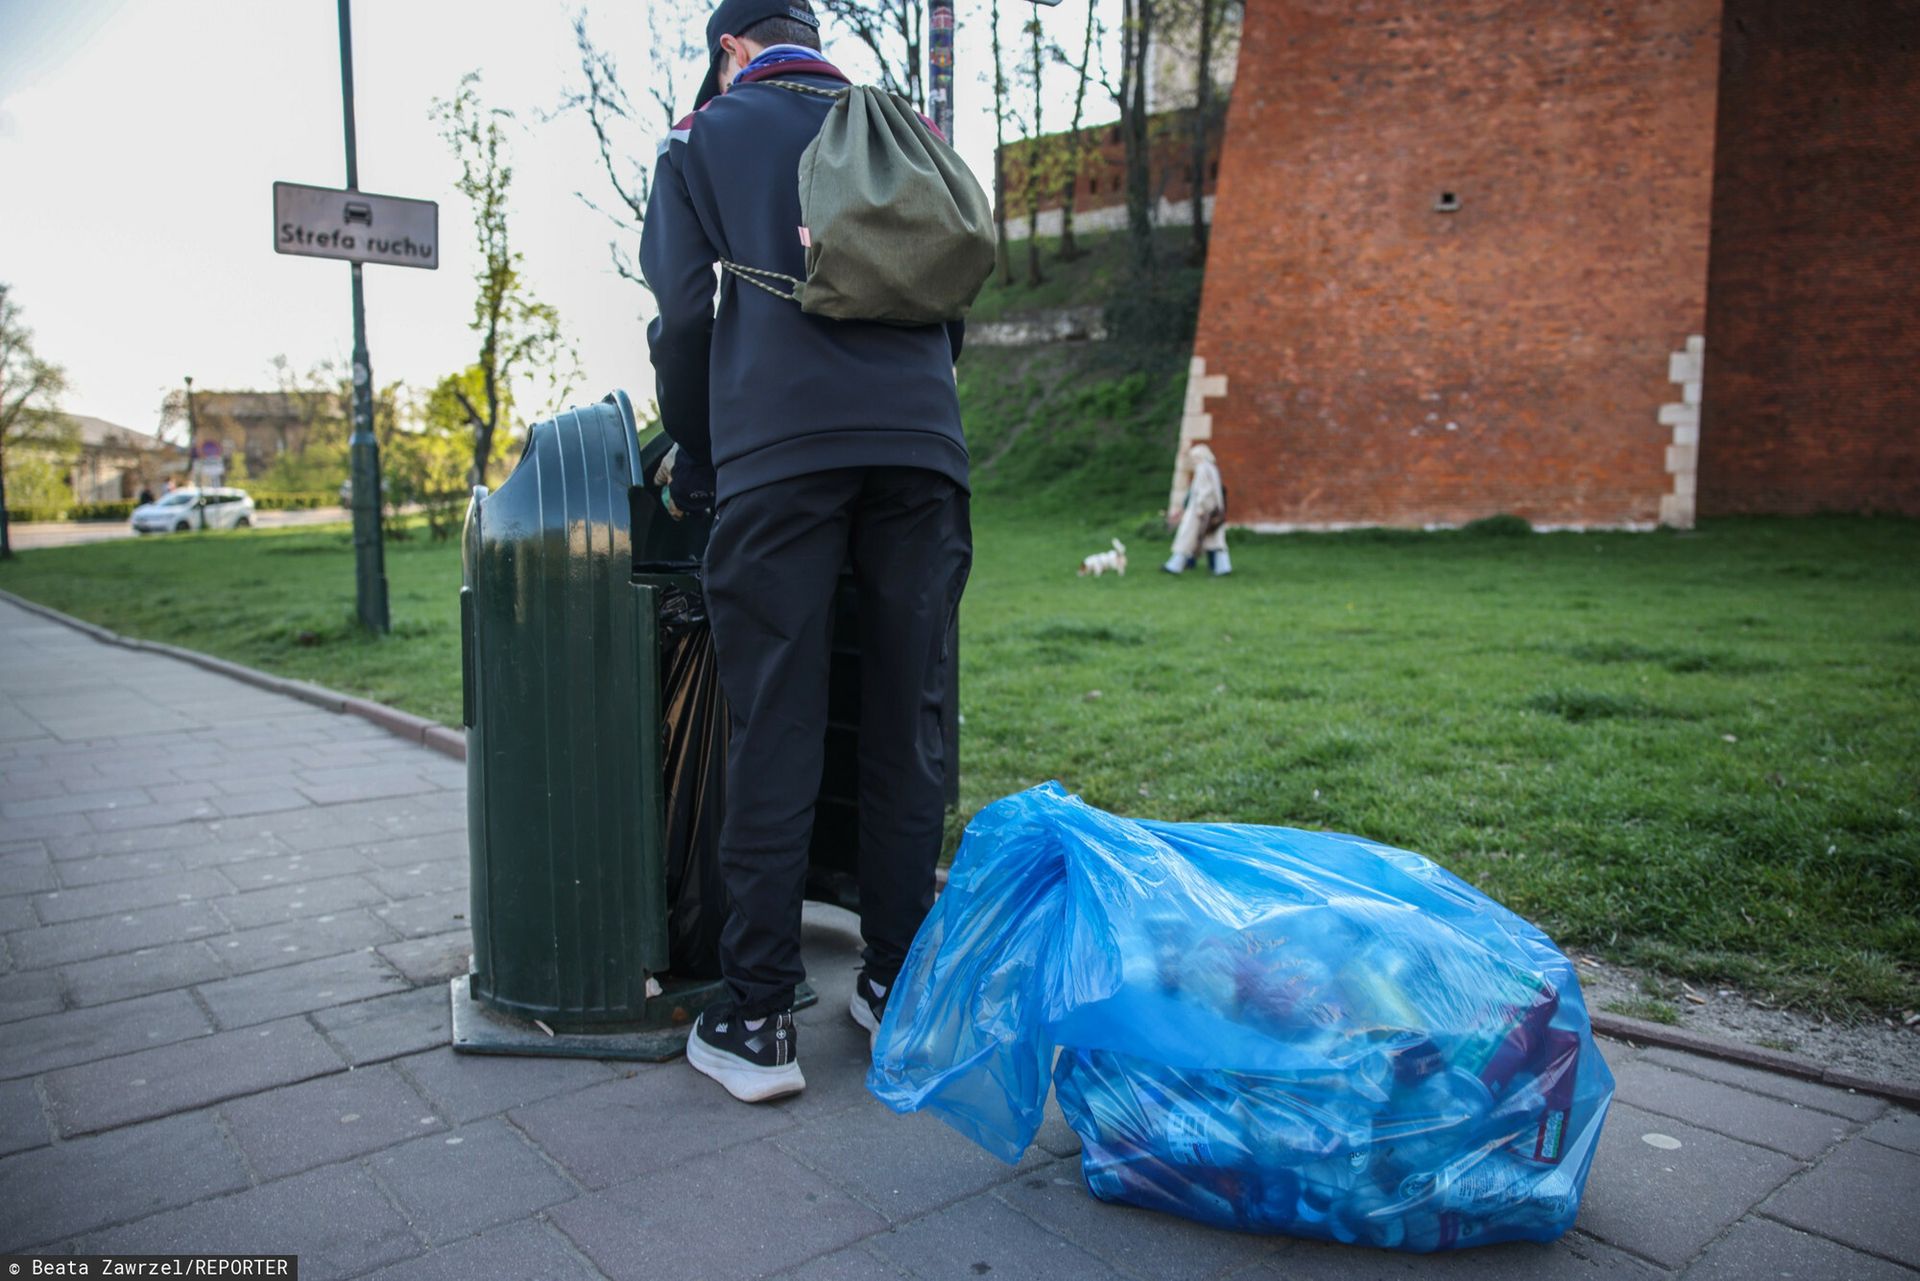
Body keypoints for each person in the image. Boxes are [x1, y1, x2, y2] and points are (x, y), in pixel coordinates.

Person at [641, 0, 972, 1104]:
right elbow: (951, 297)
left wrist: (697, 448)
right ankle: (895, 982)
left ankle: (753, 1016)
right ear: (812, 39)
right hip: (923, 452)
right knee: (904, 715)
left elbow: (686, 317)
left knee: (773, 716)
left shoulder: (703, 138)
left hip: (783, 454)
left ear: (731, 48)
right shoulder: (906, 132)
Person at [1164, 441, 1231, 575]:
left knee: (1186, 537)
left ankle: (1174, 565)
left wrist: (1201, 508)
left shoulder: (1202, 468)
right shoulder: (1212, 468)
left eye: (1195, 457)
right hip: (1211, 510)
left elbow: (1204, 491)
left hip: (1200, 512)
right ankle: (1222, 567)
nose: (1193, 460)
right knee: (1214, 540)